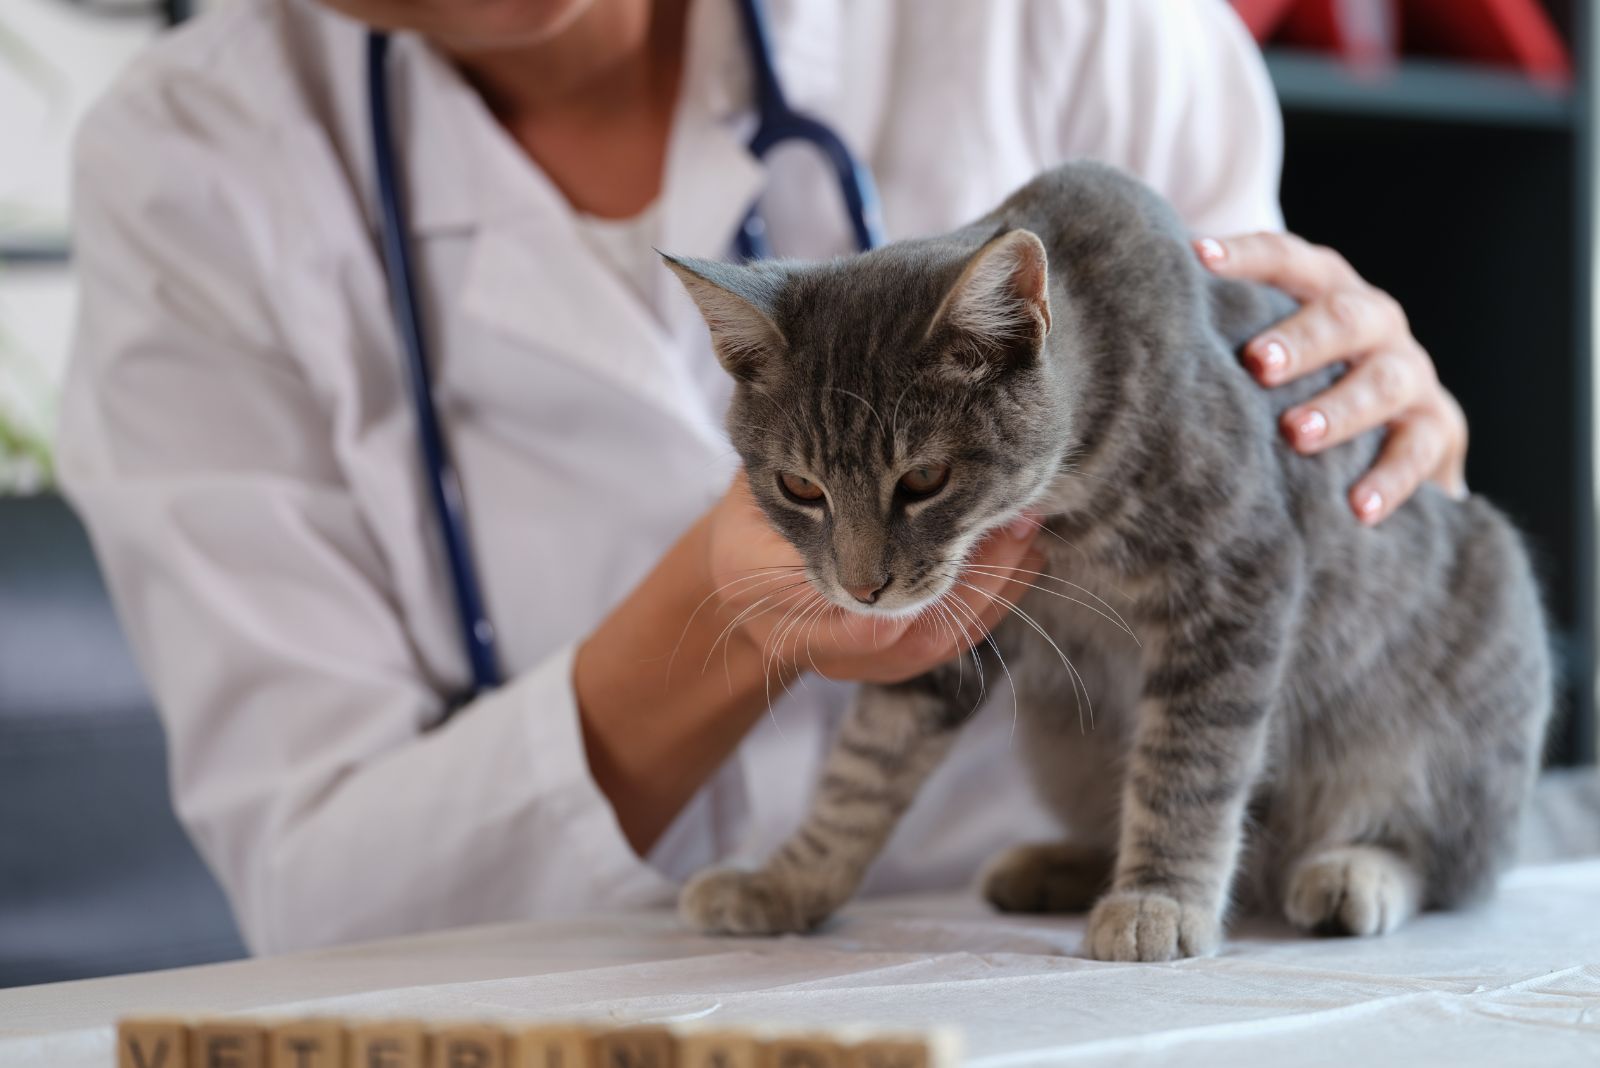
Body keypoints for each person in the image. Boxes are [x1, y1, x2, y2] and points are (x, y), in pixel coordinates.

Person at [58, 0, 1468, 955]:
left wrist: (1374, 438)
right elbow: (323, 903)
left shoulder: (1072, 19)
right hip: (551, 993)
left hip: (1044, 963)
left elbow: (1254, 553)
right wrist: (719, 608)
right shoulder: (189, 162)